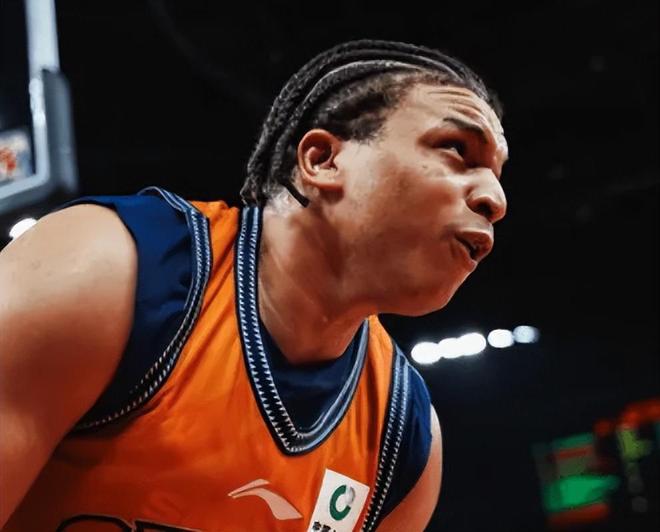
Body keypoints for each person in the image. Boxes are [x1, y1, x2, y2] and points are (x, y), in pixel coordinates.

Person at [0, 39, 508, 531]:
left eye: (497, 174)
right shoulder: (109, 268)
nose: (496, 199)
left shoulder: (404, 440)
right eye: (456, 150)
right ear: (322, 160)